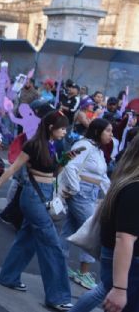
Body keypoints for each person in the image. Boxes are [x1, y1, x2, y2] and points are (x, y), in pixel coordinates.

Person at [0, 111, 76, 311]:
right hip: (33, 196)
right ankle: (58, 296)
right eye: (62, 128)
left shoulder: (54, 145)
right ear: (51, 127)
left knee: (28, 238)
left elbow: (53, 173)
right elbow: (12, 169)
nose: (64, 132)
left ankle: (8, 276)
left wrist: (65, 160)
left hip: (44, 193)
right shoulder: (33, 145)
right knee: (52, 245)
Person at [71, 135, 139, 312]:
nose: (110, 134)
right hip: (129, 262)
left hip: (124, 260)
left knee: (103, 290)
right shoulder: (134, 187)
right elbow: (124, 238)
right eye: (107, 130)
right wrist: (119, 288)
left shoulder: (128, 181)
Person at [59, 118, 113, 290]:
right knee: (92, 230)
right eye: (108, 131)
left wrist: (112, 193)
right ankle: (83, 272)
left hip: (90, 193)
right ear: (97, 131)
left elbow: (102, 177)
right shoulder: (84, 145)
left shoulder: (97, 149)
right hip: (81, 193)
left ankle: (59, 264)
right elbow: (69, 165)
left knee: (69, 228)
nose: (111, 135)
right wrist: (74, 188)